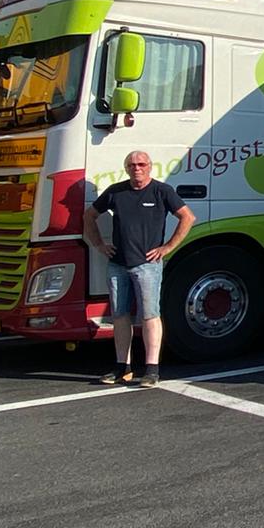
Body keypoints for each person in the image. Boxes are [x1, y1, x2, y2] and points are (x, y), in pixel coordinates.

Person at [83, 151, 195, 388]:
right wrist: (99, 245)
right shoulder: (116, 191)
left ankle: (152, 370)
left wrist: (167, 247)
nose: (137, 168)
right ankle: (122, 367)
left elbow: (187, 217)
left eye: (141, 164)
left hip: (147, 266)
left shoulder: (161, 191)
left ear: (150, 167)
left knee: (149, 315)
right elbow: (90, 216)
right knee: (120, 316)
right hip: (118, 265)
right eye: (132, 164)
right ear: (126, 168)